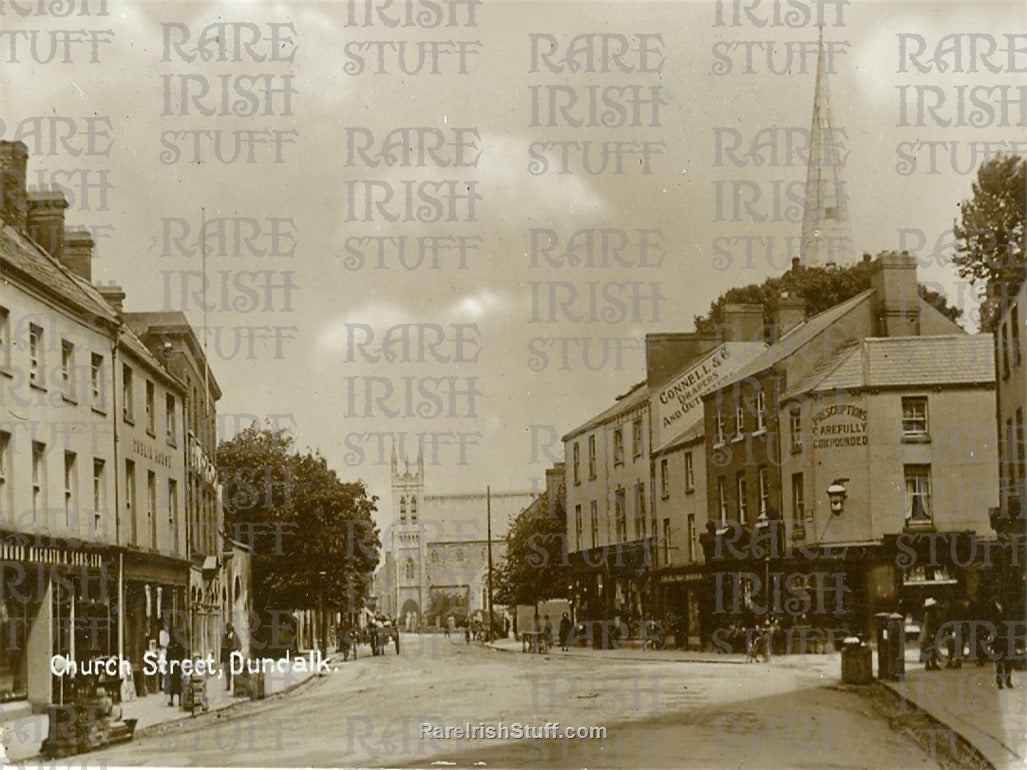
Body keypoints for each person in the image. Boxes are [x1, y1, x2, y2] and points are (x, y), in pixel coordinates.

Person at [921, 598, 941, 671]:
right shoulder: (927, 614)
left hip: (932, 631)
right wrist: (930, 634)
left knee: (933, 648)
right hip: (928, 633)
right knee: (928, 648)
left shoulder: (933, 614)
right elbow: (926, 626)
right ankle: (927, 664)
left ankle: (933, 663)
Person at [166, 632, 184, 707]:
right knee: (173, 683)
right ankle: (172, 700)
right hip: (173, 667)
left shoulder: (179, 646)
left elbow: (182, 655)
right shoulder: (170, 646)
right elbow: (167, 657)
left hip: (177, 667)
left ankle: (179, 700)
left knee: (177, 683)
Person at [221, 623, 240, 691]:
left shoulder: (235, 636)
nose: (228, 631)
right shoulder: (225, 637)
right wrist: (222, 659)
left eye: (229, 629)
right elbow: (222, 648)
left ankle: (235, 686)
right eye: (227, 629)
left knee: (234, 673)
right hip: (227, 658)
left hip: (234, 658)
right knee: (227, 673)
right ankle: (228, 686)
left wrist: (236, 655)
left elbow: (239, 646)